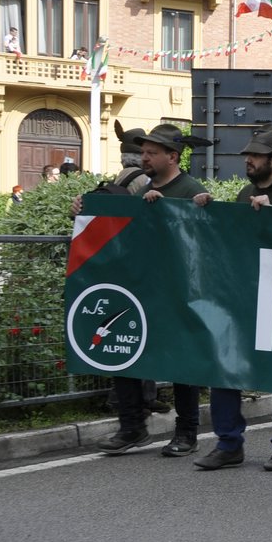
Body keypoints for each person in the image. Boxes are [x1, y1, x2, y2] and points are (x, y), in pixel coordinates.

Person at [83, 123, 214, 458]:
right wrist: (84, 213)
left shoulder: (190, 189)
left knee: (182, 363)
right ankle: (132, 427)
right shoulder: (141, 193)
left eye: (151, 153)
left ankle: (186, 432)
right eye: (142, 152)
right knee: (124, 352)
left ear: (173, 156)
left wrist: (176, 212)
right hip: (141, 289)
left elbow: (203, 241)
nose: (144, 158)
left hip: (178, 291)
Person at [191, 122, 272, 472]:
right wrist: (209, 211)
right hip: (245, 298)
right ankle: (229, 443)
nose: (248, 161)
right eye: (248, 155)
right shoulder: (244, 194)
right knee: (225, 368)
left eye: (255, 156)